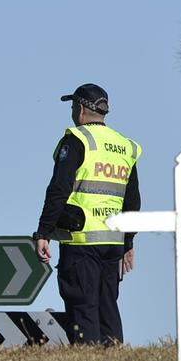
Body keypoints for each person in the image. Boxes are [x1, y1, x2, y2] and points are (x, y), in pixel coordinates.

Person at [33, 83, 141, 345]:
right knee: (108, 306)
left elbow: (58, 189)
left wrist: (43, 233)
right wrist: (128, 242)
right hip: (113, 242)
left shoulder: (76, 139)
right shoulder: (125, 146)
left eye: (72, 106)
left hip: (81, 241)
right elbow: (133, 200)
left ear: (80, 109)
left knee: (83, 306)